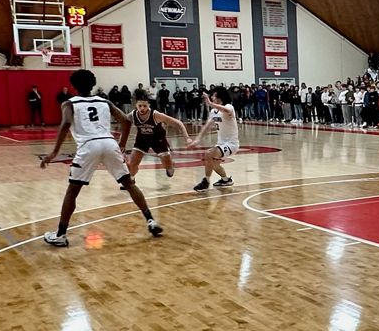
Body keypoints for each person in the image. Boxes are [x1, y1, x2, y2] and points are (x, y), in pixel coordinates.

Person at [38, 69, 162, 247]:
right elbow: (126, 121)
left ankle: (60, 235)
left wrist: (54, 152)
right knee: (129, 183)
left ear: (73, 85)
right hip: (109, 143)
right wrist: (122, 144)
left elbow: (66, 123)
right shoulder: (105, 101)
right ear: (93, 84)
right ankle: (151, 220)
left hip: (88, 146)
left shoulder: (69, 103)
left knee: (72, 191)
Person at [119, 89, 191, 179]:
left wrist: (187, 138)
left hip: (158, 140)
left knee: (169, 169)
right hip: (142, 140)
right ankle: (131, 180)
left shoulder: (156, 115)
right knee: (132, 163)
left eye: (145, 106)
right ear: (136, 105)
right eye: (140, 106)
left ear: (149, 105)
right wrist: (121, 144)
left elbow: (178, 123)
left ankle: (171, 164)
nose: (142, 108)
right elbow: (124, 130)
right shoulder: (132, 115)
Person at [190, 88, 239, 191]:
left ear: (220, 98)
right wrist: (198, 139)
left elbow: (226, 110)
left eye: (214, 96)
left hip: (231, 144)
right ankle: (226, 180)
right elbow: (207, 126)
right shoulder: (213, 112)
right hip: (221, 144)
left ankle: (206, 181)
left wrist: (210, 103)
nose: (212, 97)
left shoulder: (229, 106)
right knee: (215, 165)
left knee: (208, 153)